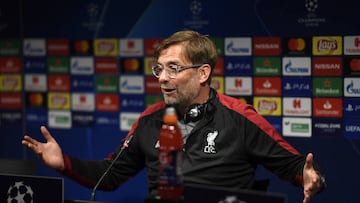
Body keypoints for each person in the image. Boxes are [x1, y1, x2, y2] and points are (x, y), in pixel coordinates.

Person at [22, 30, 325, 203]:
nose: (163, 78)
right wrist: (63, 163)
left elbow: (296, 167)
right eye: (159, 69)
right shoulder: (150, 120)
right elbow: (109, 174)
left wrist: (311, 178)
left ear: (203, 73)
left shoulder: (240, 117)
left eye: (173, 68)